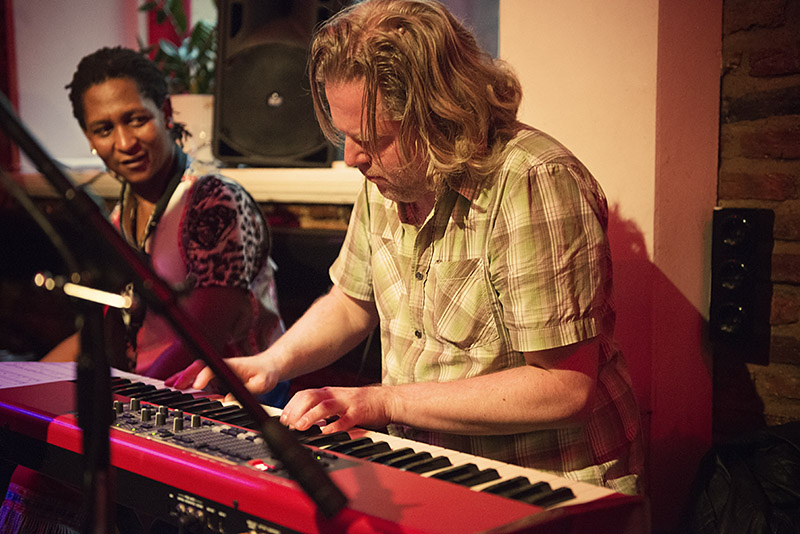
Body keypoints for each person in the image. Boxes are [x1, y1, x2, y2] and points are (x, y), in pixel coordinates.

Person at [168, 0, 644, 496]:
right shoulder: (388, 178)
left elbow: (564, 387)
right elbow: (351, 303)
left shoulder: (533, 181)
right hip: (436, 470)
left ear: (441, 115)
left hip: (547, 486)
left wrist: (384, 401)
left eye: (373, 138)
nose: (352, 157)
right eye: (345, 135)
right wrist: (271, 363)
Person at [0, 46, 287, 533]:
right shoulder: (122, 213)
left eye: (136, 119)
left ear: (166, 112)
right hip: (151, 395)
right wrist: (22, 380)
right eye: (104, 128)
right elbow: (107, 329)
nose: (124, 142)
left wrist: (115, 394)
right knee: (35, 464)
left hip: (227, 406)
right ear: (89, 138)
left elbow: (203, 334)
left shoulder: (214, 200)